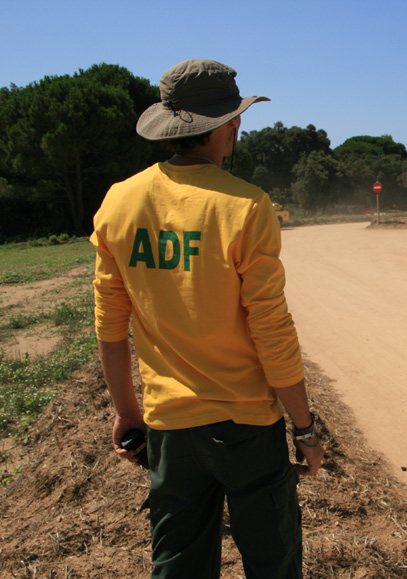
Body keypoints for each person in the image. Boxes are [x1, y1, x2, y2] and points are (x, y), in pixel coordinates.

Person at [90, 59, 323, 579]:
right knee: (273, 560)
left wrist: (128, 412)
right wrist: (305, 428)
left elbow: (110, 326)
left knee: (177, 563)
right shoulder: (247, 206)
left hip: (169, 426)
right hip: (247, 426)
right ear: (229, 125)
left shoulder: (118, 203)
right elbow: (272, 329)